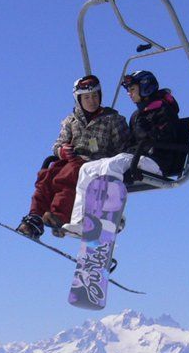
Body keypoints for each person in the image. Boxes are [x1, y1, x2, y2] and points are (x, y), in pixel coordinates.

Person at [62, 70, 180, 236]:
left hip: (157, 160)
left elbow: (166, 137)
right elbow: (131, 142)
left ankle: (107, 218)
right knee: (87, 169)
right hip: (138, 158)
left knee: (113, 164)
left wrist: (149, 131)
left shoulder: (163, 111)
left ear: (145, 88)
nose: (129, 94)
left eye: (132, 89)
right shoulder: (137, 115)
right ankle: (80, 222)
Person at [17, 75, 128, 238]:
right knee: (46, 178)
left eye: (95, 96)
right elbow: (57, 144)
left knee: (68, 178)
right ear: (79, 99)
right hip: (70, 160)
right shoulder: (72, 120)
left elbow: (123, 147)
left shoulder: (112, 119)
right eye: (87, 97)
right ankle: (35, 218)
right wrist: (61, 150)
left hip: (94, 163)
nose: (92, 101)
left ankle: (60, 216)